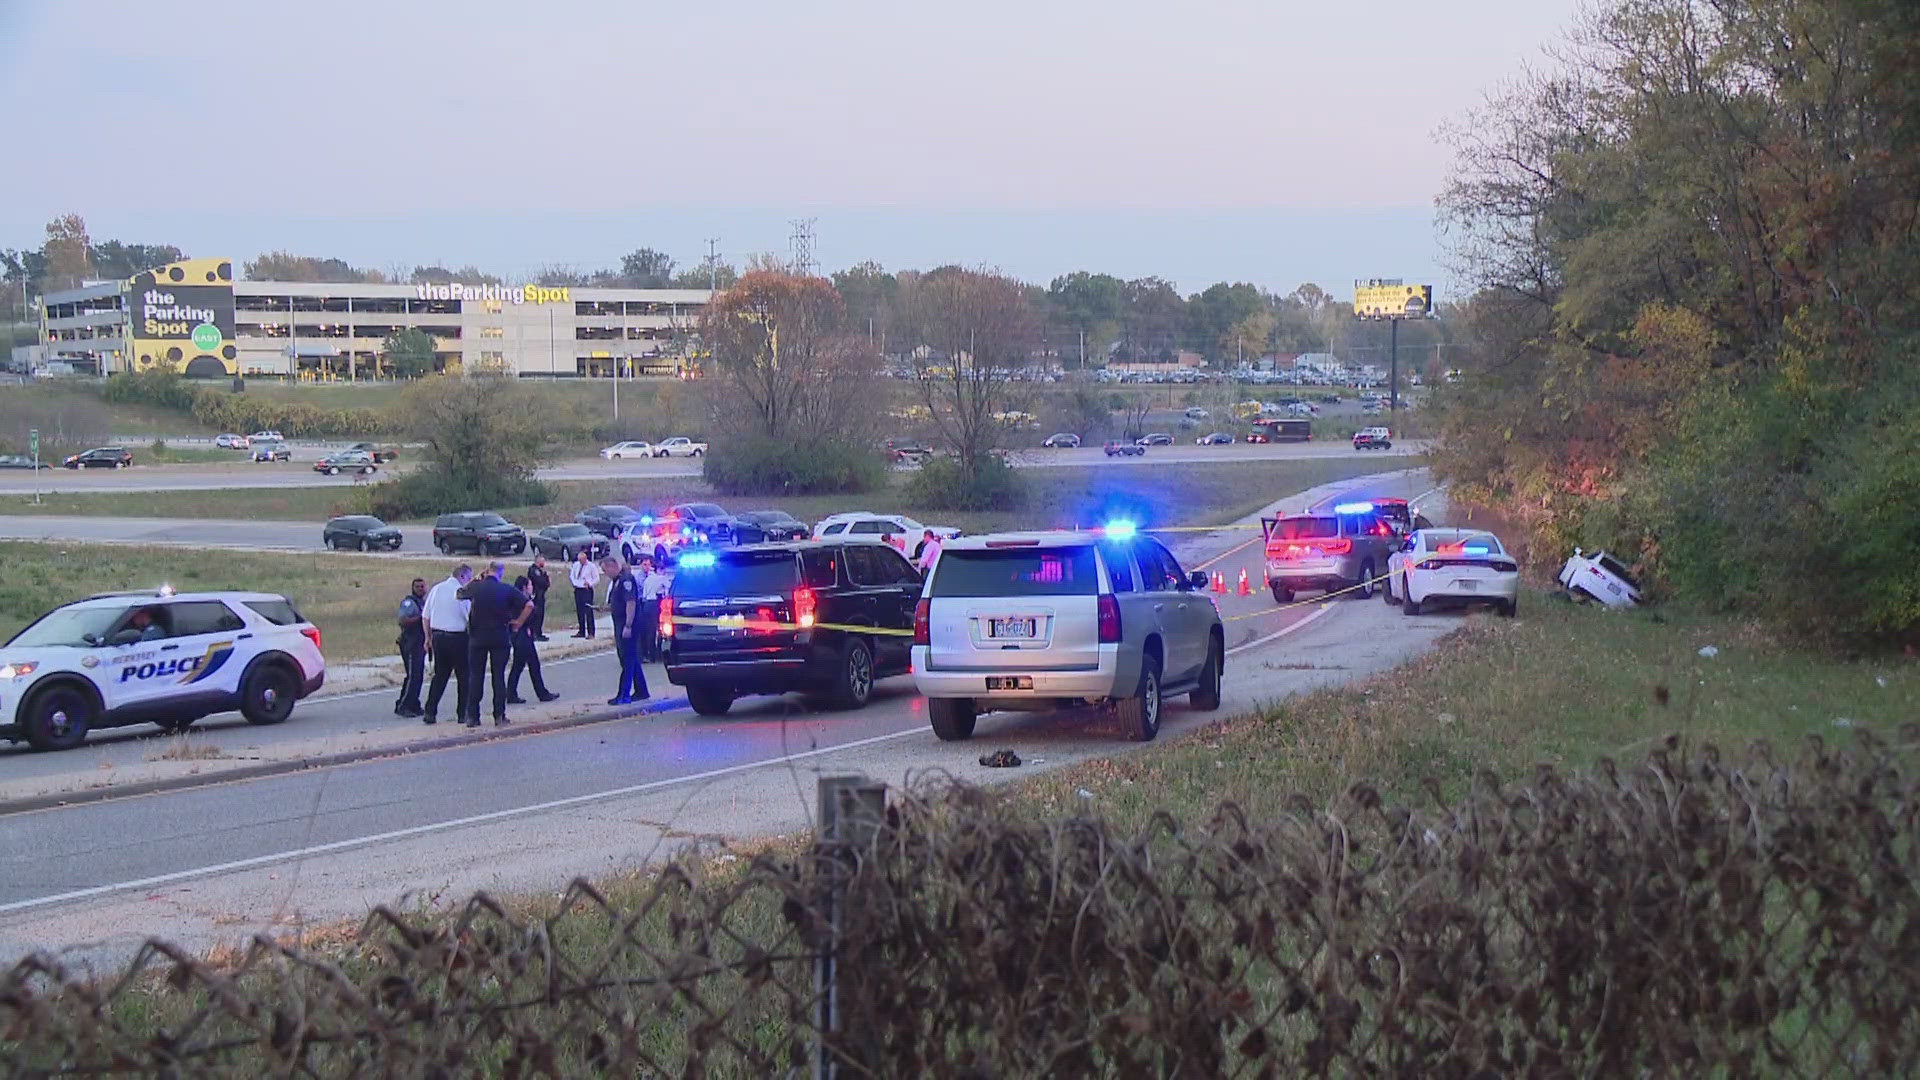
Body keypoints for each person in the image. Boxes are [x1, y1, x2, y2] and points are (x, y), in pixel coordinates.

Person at [459, 561, 534, 727]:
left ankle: (472, 716)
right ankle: (499, 715)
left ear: (488, 571)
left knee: (476, 676)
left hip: (477, 637)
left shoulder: (477, 587)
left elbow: (459, 594)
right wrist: (518, 623)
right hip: (500, 636)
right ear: (500, 573)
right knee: (498, 676)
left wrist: (476, 578)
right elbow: (529, 605)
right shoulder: (506, 589)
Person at [421, 564, 474, 726]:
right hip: (458, 637)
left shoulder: (436, 589)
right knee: (464, 676)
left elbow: (426, 616)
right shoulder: (462, 593)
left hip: (438, 636)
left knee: (440, 676)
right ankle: (462, 713)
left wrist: (428, 638)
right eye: (469, 578)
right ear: (463, 577)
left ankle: (430, 712)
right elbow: (469, 617)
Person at [507, 574, 560, 705]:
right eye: (530, 585)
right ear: (524, 587)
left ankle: (511, 693)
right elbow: (530, 617)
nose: (531, 587)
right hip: (523, 636)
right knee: (532, 665)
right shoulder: (522, 601)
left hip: (522, 636)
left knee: (519, 666)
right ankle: (541, 693)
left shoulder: (516, 599)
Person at [602, 556, 648, 706]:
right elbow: (618, 602)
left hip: (628, 624)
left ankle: (624, 694)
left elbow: (631, 603)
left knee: (627, 659)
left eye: (605, 570)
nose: (605, 573)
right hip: (620, 623)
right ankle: (641, 690)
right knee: (631, 658)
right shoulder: (617, 581)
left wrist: (628, 625)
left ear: (612, 566)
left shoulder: (626, 579)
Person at [394, 578, 427, 718]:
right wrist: (420, 618)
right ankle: (404, 706)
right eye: (417, 586)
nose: (420, 589)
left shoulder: (423, 603)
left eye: (422, 586)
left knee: (417, 676)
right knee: (414, 676)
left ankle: (412, 703)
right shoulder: (409, 603)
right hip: (410, 643)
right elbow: (402, 620)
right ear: (413, 588)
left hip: (420, 643)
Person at [639, 556, 670, 663]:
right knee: (660, 628)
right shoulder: (661, 578)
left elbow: (644, 594)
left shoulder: (647, 579)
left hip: (647, 605)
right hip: (656, 604)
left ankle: (651, 655)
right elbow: (669, 589)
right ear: (659, 570)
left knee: (649, 631)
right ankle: (658, 652)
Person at [569, 549, 601, 638]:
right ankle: (581, 631)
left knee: (588, 610)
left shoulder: (591, 566)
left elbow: (597, 578)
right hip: (578, 588)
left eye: (582, 560)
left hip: (587, 590)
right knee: (580, 611)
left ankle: (591, 632)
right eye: (579, 560)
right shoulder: (576, 565)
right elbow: (572, 575)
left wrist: (589, 583)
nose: (581, 562)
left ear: (585, 558)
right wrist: (574, 583)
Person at [525, 553, 551, 642]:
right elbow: (541, 582)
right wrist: (546, 578)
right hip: (536, 596)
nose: (544, 563)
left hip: (541, 595)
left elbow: (547, 584)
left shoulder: (541, 571)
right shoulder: (533, 570)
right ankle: (535, 633)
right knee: (536, 615)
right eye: (542, 561)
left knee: (541, 615)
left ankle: (539, 633)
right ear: (538, 561)